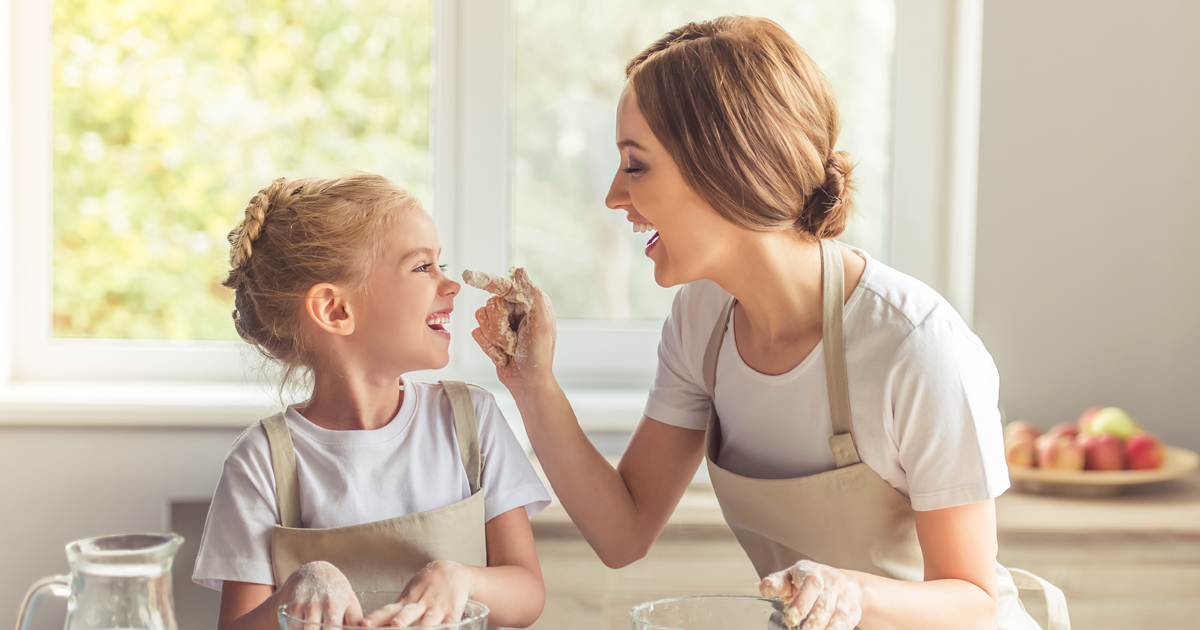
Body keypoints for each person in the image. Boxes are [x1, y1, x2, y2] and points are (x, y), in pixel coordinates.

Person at [470, 17, 1067, 630]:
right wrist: (531, 381)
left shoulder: (914, 348)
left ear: (725, 166)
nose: (615, 196)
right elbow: (623, 532)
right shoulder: (701, 321)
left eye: (636, 165)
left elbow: (973, 601)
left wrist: (851, 593)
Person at [193, 173, 550, 630]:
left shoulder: (471, 419)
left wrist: (460, 579)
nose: (450, 285)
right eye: (423, 267)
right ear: (335, 310)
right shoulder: (261, 461)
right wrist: (300, 586)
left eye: (441, 264)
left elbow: (528, 593)